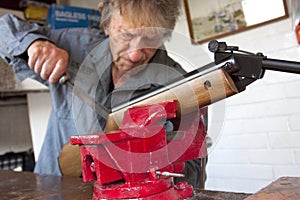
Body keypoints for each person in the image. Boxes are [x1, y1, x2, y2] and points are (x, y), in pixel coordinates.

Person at [0, 0, 206, 188]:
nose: (135, 54)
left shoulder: (181, 87)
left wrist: (147, 158)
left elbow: (193, 177)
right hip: (50, 188)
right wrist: (34, 45)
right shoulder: (76, 46)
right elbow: (4, 28)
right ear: (106, 24)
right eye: (126, 35)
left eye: (150, 38)